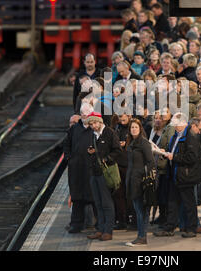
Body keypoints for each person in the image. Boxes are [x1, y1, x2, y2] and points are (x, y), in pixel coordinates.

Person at [153, 113, 201, 238]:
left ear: (183, 125)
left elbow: (192, 157)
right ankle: (169, 227)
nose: (175, 127)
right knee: (172, 203)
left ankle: (191, 229)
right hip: (175, 174)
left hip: (185, 175)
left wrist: (173, 157)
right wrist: (166, 152)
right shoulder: (176, 135)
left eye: (177, 125)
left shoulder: (190, 137)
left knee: (189, 203)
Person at [86, 112, 122, 241]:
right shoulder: (92, 134)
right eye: (91, 124)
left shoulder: (109, 133)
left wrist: (107, 159)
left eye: (95, 123)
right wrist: (91, 151)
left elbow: (118, 150)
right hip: (94, 172)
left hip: (106, 172)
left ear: (100, 122)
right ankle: (100, 229)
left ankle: (108, 231)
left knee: (107, 203)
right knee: (98, 202)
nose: (93, 126)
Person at [65, 103, 95, 233]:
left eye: (87, 114)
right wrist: (69, 158)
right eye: (83, 114)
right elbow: (67, 145)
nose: (85, 116)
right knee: (77, 196)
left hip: (91, 167)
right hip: (76, 168)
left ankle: (96, 223)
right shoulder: (74, 129)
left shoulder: (95, 129)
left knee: (93, 196)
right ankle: (76, 223)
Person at [125, 119, 156, 246]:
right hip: (133, 180)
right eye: (132, 127)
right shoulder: (131, 143)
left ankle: (142, 237)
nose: (133, 129)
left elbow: (151, 162)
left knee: (141, 210)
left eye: (136, 127)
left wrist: (145, 179)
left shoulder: (143, 143)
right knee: (139, 210)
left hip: (141, 182)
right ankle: (141, 236)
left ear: (140, 129)